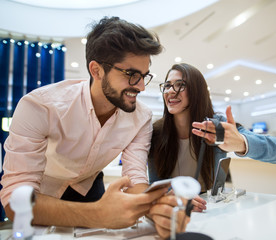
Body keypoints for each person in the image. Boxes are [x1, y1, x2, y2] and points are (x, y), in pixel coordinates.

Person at [0, 17, 187, 238]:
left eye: (144, 76)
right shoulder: (40, 106)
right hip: (41, 194)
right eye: (131, 75)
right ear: (96, 70)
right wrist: (97, 214)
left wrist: (155, 209)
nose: (141, 87)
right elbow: (15, 198)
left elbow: (135, 177)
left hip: (90, 187)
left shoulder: (142, 116)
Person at [148, 63, 276, 212]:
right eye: (167, 85)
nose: (170, 91)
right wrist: (171, 196)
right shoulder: (156, 132)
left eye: (180, 85)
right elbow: (153, 186)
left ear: (197, 91)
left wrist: (242, 143)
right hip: (172, 213)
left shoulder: (217, 126)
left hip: (210, 210)